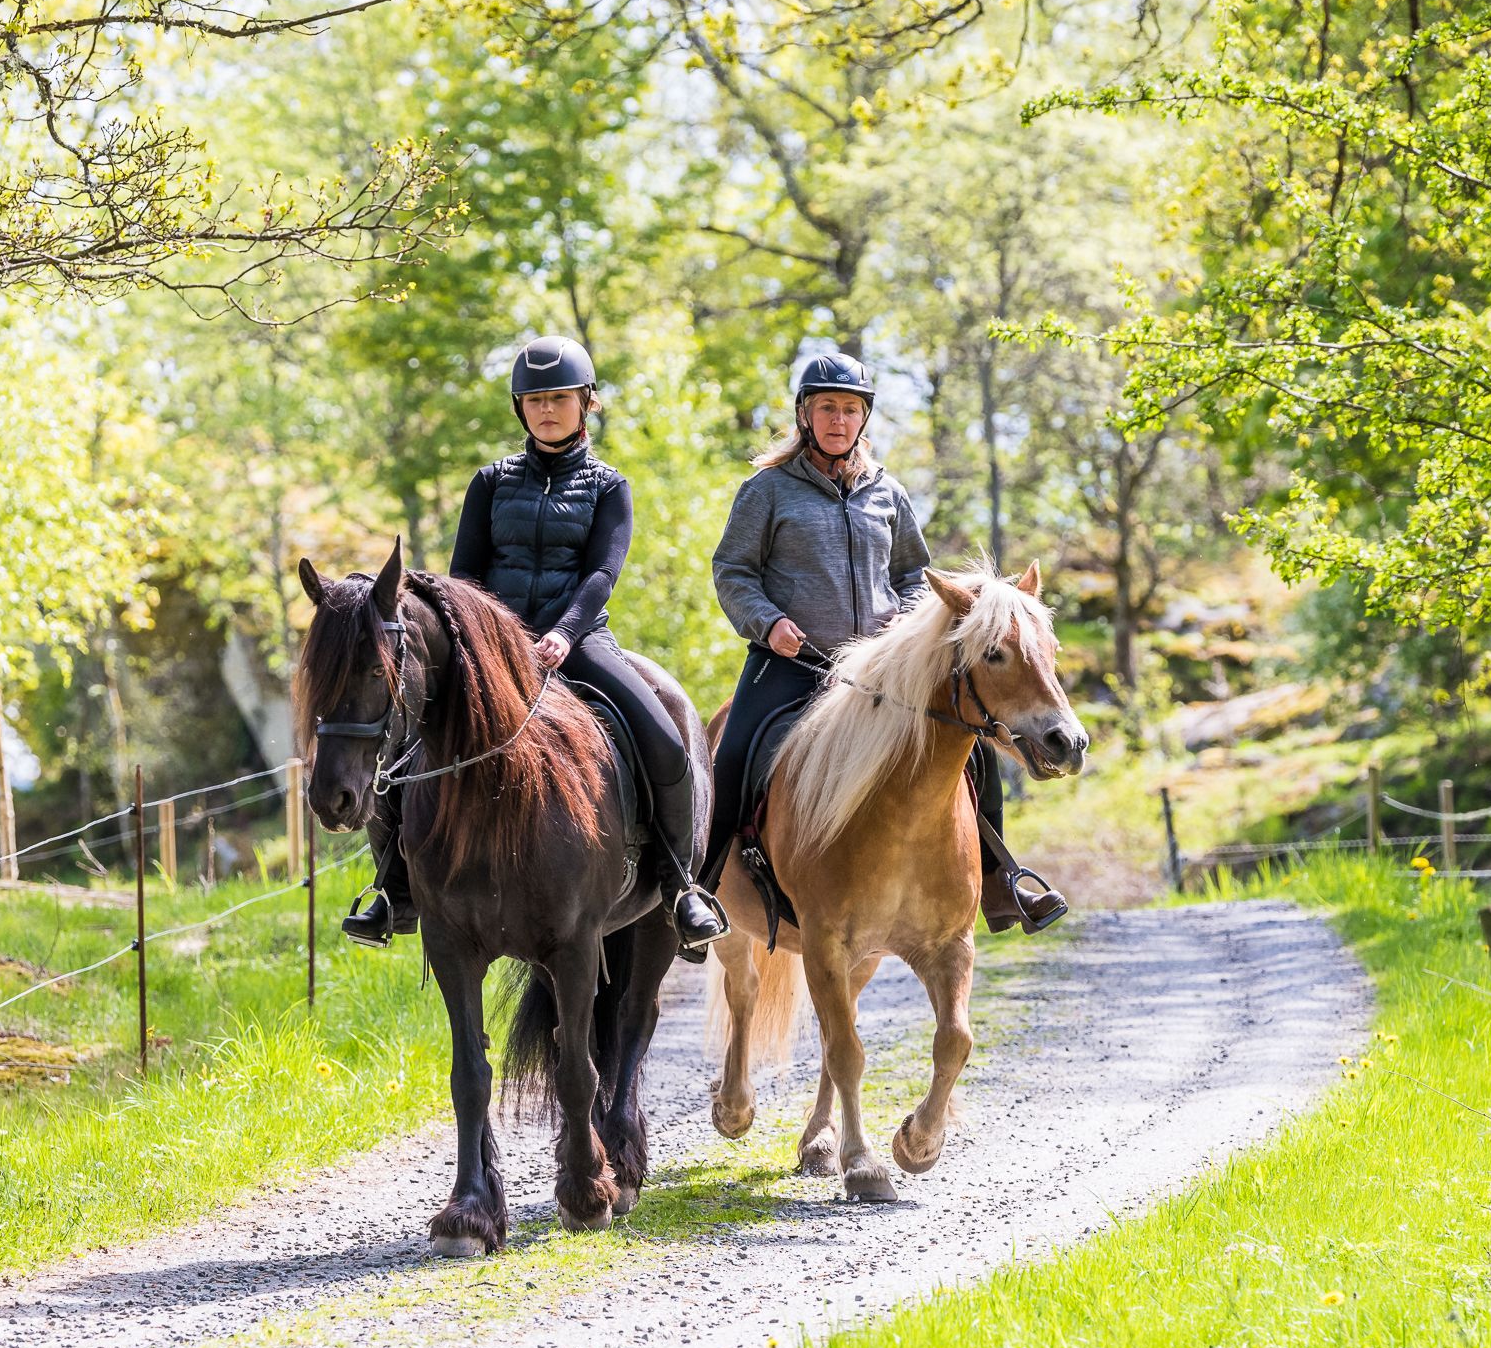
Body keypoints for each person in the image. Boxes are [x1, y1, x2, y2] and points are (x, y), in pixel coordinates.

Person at [341, 335, 731, 955]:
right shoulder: (491, 483)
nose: (547, 409)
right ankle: (394, 887)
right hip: (490, 652)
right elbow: (463, 576)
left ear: (586, 403)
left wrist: (564, 632)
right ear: (520, 409)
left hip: (577, 641)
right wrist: (485, 640)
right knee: (406, 742)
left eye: (559, 398)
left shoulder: (610, 486)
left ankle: (682, 886)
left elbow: (602, 573)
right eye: (534, 399)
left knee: (664, 737)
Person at [697, 351, 1068, 933]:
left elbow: (913, 579)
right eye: (827, 409)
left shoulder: (887, 494)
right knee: (736, 751)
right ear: (804, 414)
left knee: (973, 743)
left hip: (878, 673)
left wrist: (901, 632)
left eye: (850, 409)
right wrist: (767, 623)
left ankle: (1002, 881)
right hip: (791, 663)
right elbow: (733, 572)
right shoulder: (766, 490)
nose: (838, 420)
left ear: (863, 419)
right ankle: (704, 890)